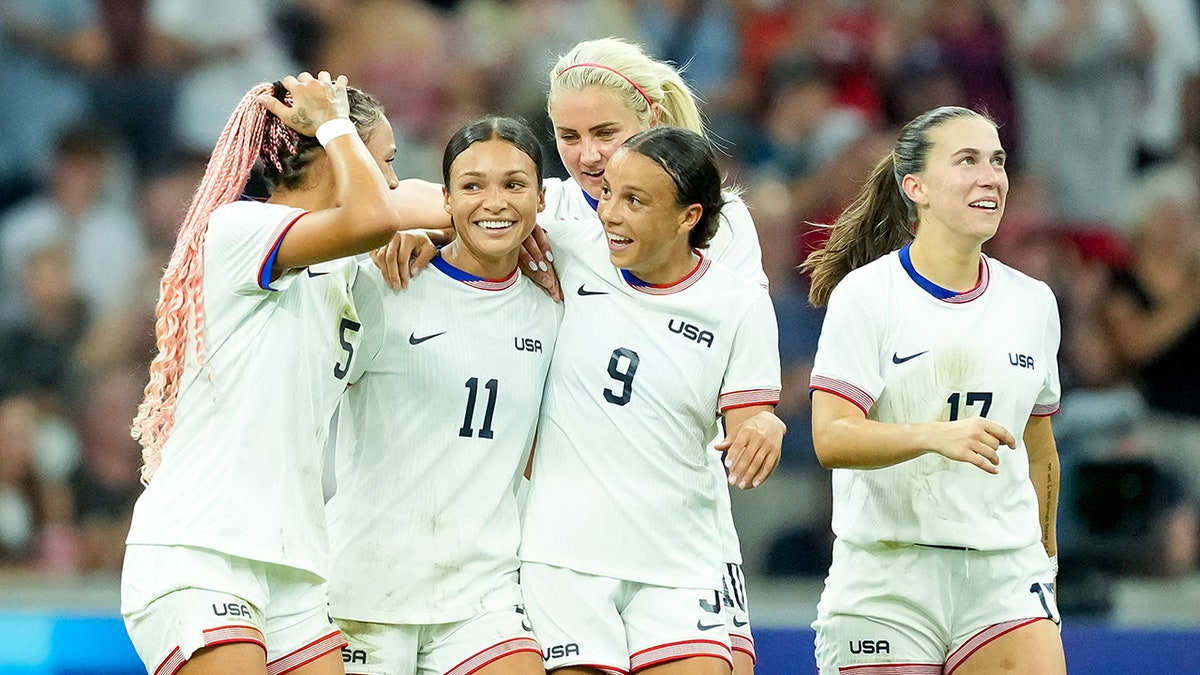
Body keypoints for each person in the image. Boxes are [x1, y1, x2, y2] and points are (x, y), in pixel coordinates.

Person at [121, 71, 418, 675]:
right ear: (338, 156)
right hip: (200, 550)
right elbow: (374, 217)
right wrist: (335, 121)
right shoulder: (239, 231)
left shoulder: (354, 275)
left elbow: (459, 203)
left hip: (296, 561)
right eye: (381, 161)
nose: (391, 180)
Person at [801, 105, 1066, 673]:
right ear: (914, 186)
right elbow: (831, 436)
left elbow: (1039, 448)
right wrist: (932, 436)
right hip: (887, 576)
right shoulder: (867, 295)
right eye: (966, 160)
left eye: (996, 161)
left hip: (1006, 576)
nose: (990, 176)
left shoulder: (1034, 302)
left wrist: (1046, 558)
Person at [519, 126, 784, 675]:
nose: (610, 214)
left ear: (689, 217)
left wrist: (764, 428)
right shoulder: (567, 248)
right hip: (565, 558)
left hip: (678, 558)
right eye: (608, 193)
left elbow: (749, 421)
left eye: (635, 201)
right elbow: (475, 212)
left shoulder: (737, 306)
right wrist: (421, 235)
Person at [326, 117, 561, 675]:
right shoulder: (383, 284)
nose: (495, 202)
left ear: (542, 199)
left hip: (484, 595)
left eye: (514, 184)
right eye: (474, 185)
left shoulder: (552, 310)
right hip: (368, 589)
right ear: (445, 200)